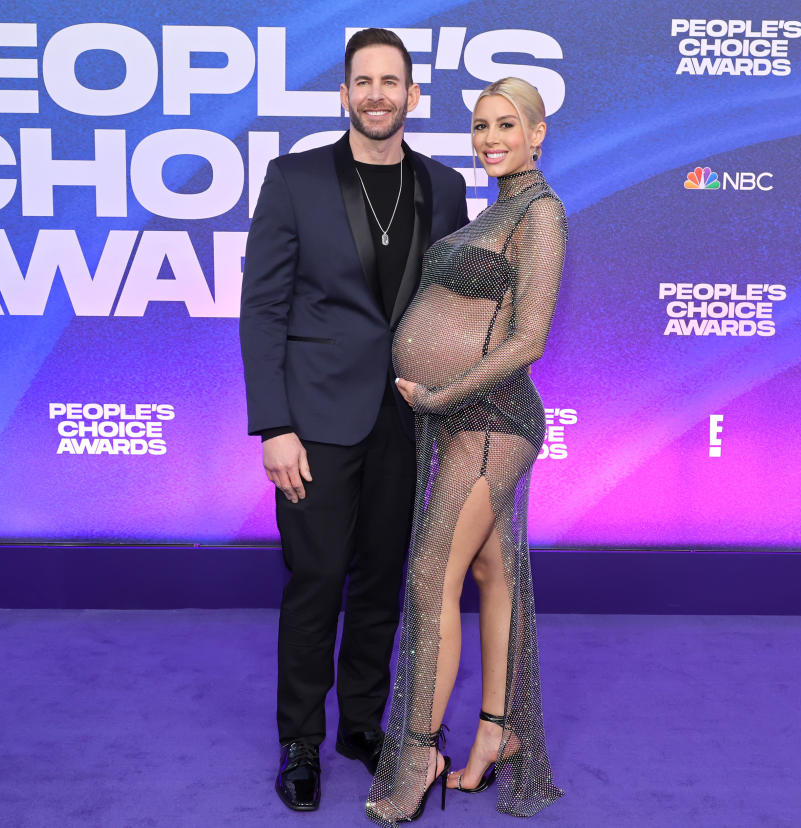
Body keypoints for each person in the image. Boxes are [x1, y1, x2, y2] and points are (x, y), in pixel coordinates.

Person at [240, 28, 470, 813]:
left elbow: (449, 310)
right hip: (315, 423)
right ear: (345, 94)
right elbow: (263, 308)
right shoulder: (294, 178)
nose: (377, 95)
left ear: (412, 96)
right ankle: (300, 739)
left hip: (405, 422)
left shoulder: (443, 188)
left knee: (382, 584)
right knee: (315, 583)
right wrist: (274, 426)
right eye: (362, 82)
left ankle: (362, 725)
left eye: (391, 82)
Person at [365, 77, 567, 824]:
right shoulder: (499, 209)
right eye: (481, 126)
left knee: (429, 576)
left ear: (538, 133)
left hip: (492, 421)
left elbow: (531, 339)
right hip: (460, 421)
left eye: (506, 125)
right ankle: (498, 733)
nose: (490, 138)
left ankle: (418, 752)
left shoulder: (541, 213)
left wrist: (442, 396)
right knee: (491, 568)